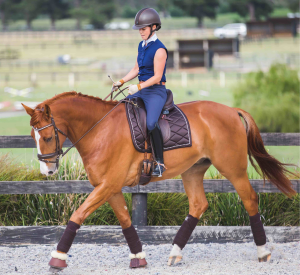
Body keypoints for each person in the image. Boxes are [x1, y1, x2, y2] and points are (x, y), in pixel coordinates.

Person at [112, 7, 168, 177]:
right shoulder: (141, 45)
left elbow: (157, 77)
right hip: (142, 89)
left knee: (151, 123)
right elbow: (136, 68)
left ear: (154, 27)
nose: (140, 32)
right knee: (119, 110)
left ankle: (160, 162)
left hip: (155, 91)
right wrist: (121, 82)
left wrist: (138, 87)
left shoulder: (160, 50)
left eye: (143, 29)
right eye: (139, 30)